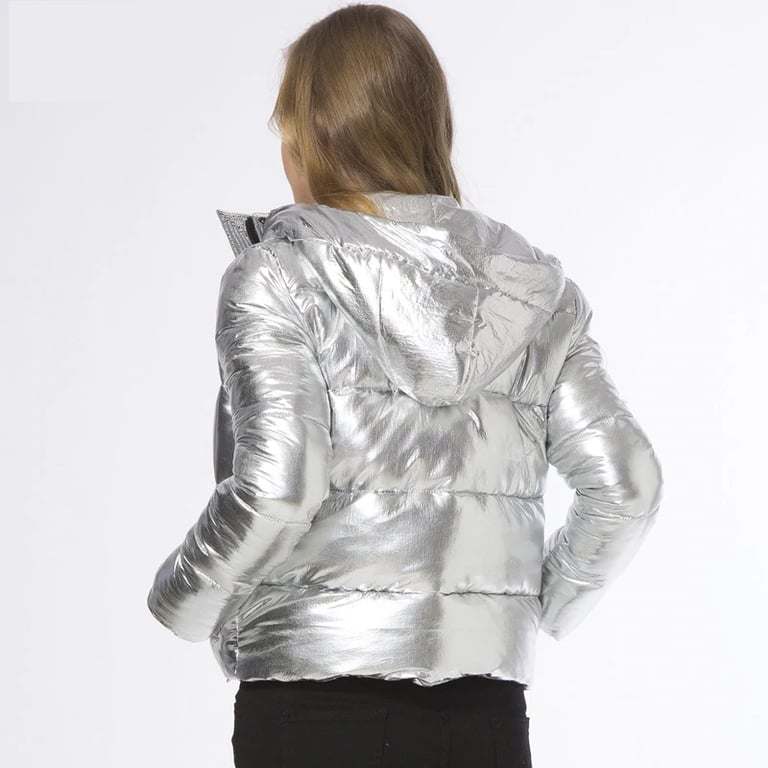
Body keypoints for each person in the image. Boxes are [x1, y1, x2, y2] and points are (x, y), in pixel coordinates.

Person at [146, 4, 664, 767]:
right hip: (484, 714)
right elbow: (628, 486)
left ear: (318, 133)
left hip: (314, 706)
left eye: (287, 127)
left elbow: (280, 489)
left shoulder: (279, 276)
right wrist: (526, 609)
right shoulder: (533, 288)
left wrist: (182, 604)